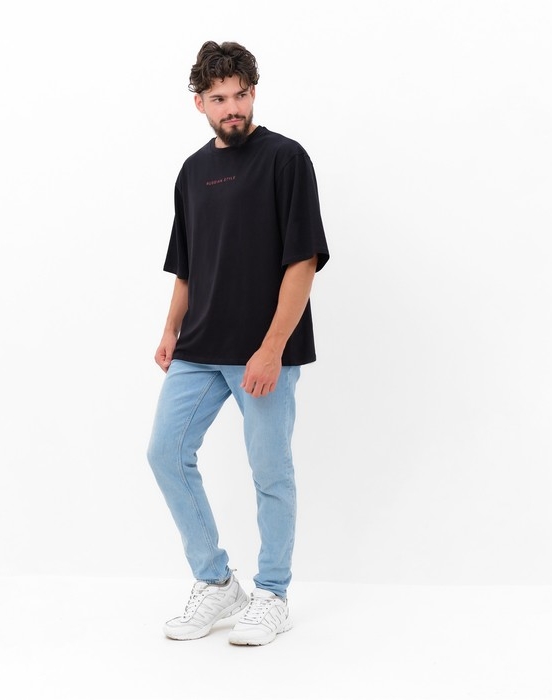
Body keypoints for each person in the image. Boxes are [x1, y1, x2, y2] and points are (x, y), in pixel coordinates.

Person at [146, 40, 330, 647]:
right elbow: (187, 264)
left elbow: (302, 261)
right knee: (166, 453)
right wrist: (171, 328)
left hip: (263, 350)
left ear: (254, 92)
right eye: (219, 98)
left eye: (241, 94)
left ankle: (272, 593)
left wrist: (272, 348)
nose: (233, 108)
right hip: (199, 347)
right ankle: (217, 582)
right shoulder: (192, 171)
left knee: (270, 471)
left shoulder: (285, 159)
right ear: (199, 103)